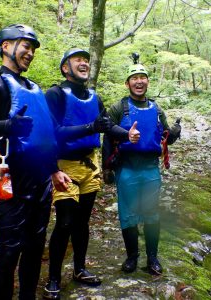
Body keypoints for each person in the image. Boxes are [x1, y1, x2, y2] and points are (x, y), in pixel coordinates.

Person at [0, 24, 70, 300]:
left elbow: (45, 135)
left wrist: (54, 170)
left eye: (33, 48)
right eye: (26, 46)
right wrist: (9, 125)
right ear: (6, 46)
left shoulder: (35, 88)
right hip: (11, 179)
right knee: (9, 250)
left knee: (35, 247)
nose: (30, 53)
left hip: (41, 181)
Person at [42, 48, 138, 300]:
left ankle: (80, 269)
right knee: (64, 223)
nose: (84, 63)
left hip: (90, 165)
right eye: (78, 60)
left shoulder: (94, 97)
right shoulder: (54, 94)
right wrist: (90, 127)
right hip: (64, 166)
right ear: (65, 67)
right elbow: (51, 132)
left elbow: (106, 125)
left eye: (86, 60)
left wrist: (125, 134)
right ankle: (53, 278)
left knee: (82, 222)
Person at [107, 58, 181, 275]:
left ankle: (152, 258)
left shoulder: (157, 109)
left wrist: (175, 133)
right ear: (128, 83)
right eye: (134, 78)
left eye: (142, 78)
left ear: (147, 81)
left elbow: (166, 137)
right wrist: (107, 168)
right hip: (127, 167)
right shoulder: (118, 108)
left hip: (150, 167)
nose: (139, 82)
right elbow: (108, 136)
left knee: (151, 214)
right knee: (128, 214)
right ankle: (132, 257)